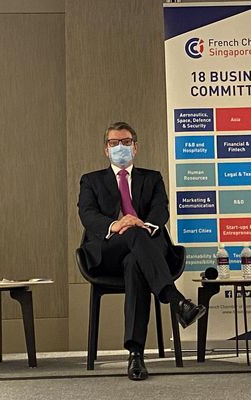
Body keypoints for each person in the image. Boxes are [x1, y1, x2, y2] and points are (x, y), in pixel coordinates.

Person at [77, 121, 206, 381]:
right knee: (132, 234)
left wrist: (142, 225)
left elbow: (160, 210)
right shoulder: (91, 180)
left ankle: (136, 354)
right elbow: (88, 215)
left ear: (135, 148)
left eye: (126, 142)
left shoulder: (152, 178)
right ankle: (175, 299)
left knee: (135, 262)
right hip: (107, 252)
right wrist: (117, 224)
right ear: (106, 149)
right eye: (114, 143)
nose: (120, 147)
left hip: (145, 251)